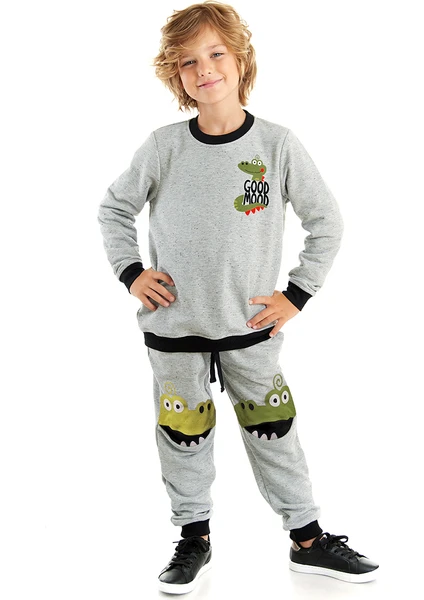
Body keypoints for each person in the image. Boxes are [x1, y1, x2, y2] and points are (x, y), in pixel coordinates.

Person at [97, 0, 379, 593]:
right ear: (175, 74)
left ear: (241, 59)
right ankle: (193, 538)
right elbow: (114, 209)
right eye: (187, 61)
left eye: (215, 54)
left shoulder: (277, 145)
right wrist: (132, 272)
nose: (204, 69)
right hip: (174, 328)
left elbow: (327, 222)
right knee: (183, 436)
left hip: (250, 327)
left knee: (275, 430)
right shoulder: (163, 147)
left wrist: (296, 295)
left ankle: (308, 539)